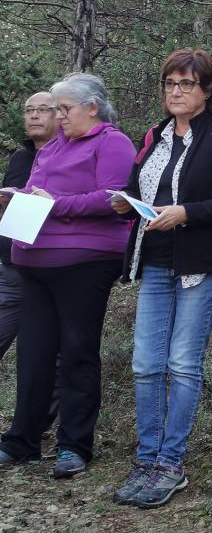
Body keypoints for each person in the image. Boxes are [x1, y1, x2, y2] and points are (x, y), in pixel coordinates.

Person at [110, 49, 212, 508]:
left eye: (186, 84)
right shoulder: (152, 137)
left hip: (202, 265)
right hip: (152, 261)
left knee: (182, 364)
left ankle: (171, 463)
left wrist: (185, 213)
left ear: (208, 90)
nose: (175, 91)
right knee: (145, 363)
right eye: (170, 83)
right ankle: (147, 458)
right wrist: (124, 203)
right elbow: (138, 190)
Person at [0, 73, 135, 478]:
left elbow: (114, 198)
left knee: (76, 351)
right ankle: (22, 440)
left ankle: (74, 445)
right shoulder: (55, 146)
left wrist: (55, 204)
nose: (58, 117)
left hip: (84, 263)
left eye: (64, 109)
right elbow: (38, 194)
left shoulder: (113, 142)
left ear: (91, 107)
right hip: (33, 263)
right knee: (34, 354)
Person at [0, 93, 60, 359]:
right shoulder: (20, 159)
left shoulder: (71, 158)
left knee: (45, 357)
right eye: (29, 110)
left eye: (43, 109)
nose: (34, 115)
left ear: (61, 115)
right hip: (10, 271)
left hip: (53, 271)